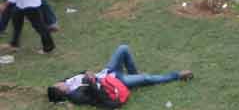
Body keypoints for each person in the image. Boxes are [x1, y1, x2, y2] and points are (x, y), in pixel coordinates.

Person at [47, 44, 193, 105]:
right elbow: (98, 96)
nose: (59, 82)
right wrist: (91, 81)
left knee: (123, 48)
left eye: (57, 83)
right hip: (114, 82)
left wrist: (87, 72)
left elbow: (81, 73)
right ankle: (177, 75)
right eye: (58, 85)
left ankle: (134, 76)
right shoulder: (76, 95)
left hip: (108, 72)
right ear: (62, 92)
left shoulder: (66, 82)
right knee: (147, 78)